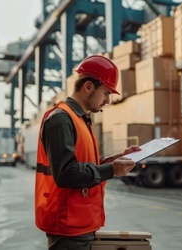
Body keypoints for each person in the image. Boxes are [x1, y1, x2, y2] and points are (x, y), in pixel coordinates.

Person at [35, 54, 141, 250]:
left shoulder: (81, 119)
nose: (107, 100)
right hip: (68, 229)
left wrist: (115, 159)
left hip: (80, 224)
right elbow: (66, 173)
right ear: (89, 86)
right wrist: (111, 171)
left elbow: (85, 162)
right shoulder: (61, 120)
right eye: (106, 93)